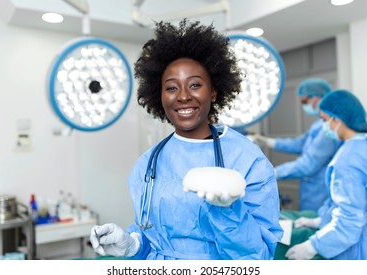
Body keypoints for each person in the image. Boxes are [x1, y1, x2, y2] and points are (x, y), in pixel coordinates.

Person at [89, 19, 283, 260]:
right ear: (158, 95)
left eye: (195, 85)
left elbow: (260, 258)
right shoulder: (148, 164)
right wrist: (133, 245)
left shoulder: (247, 160)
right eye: (171, 88)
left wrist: (230, 212)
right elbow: (153, 238)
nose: (183, 96)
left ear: (213, 91)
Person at [285, 89, 367, 260]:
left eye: (324, 120)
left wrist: (312, 246)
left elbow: (349, 224)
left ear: (337, 119)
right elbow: (359, 204)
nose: (323, 126)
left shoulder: (348, 161)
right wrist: (320, 221)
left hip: (355, 251)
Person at [251, 78, 342, 211]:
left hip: (320, 194)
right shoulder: (319, 124)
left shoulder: (328, 129)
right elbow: (299, 144)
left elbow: (308, 165)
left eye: (305, 102)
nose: (304, 105)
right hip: (311, 190)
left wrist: (273, 172)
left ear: (318, 98)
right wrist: (267, 141)